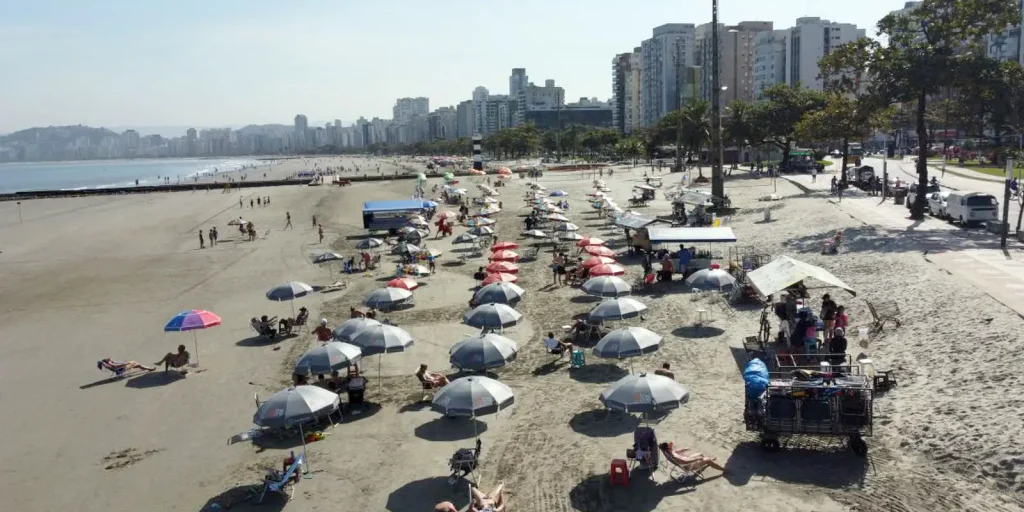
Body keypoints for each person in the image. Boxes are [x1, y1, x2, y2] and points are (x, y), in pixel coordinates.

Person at [658, 443, 726, 472]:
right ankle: (723, 469)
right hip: (689, 465)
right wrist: (697, 459)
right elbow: (686, 462)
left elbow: (675, 451)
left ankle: (708, 461)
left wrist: (684, 449)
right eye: (670, 447)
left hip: (688, 460)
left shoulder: (667, 453)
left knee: (700, 454)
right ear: (667, 449)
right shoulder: (674, 456)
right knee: (707, 459)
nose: (671, 447)